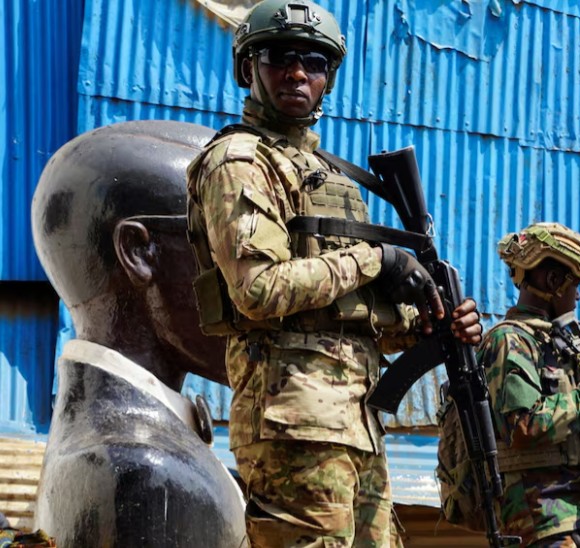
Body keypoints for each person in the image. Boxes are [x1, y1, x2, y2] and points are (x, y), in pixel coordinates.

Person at [185, 1, 482, 546]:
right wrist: (377, 259)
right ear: (248, 68)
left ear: (329, 78)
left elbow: (349, 317)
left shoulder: (332, 178)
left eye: (315, 62)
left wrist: (426, 327)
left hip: (357, 422)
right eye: (280, 56)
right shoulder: (239, 161)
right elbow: (258, 290)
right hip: (291, 421)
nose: (298, 72)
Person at [30, 120, 247, 547]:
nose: (257, 286)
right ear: (138, 252)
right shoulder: (148, 470)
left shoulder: (117, 445)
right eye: (231, 250)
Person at [479, 222, 580, 547]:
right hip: (545, 520)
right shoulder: (510, 340)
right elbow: (524, 424)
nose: (577, 295)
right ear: (553, 281)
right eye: (574, 284)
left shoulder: (560, 344)